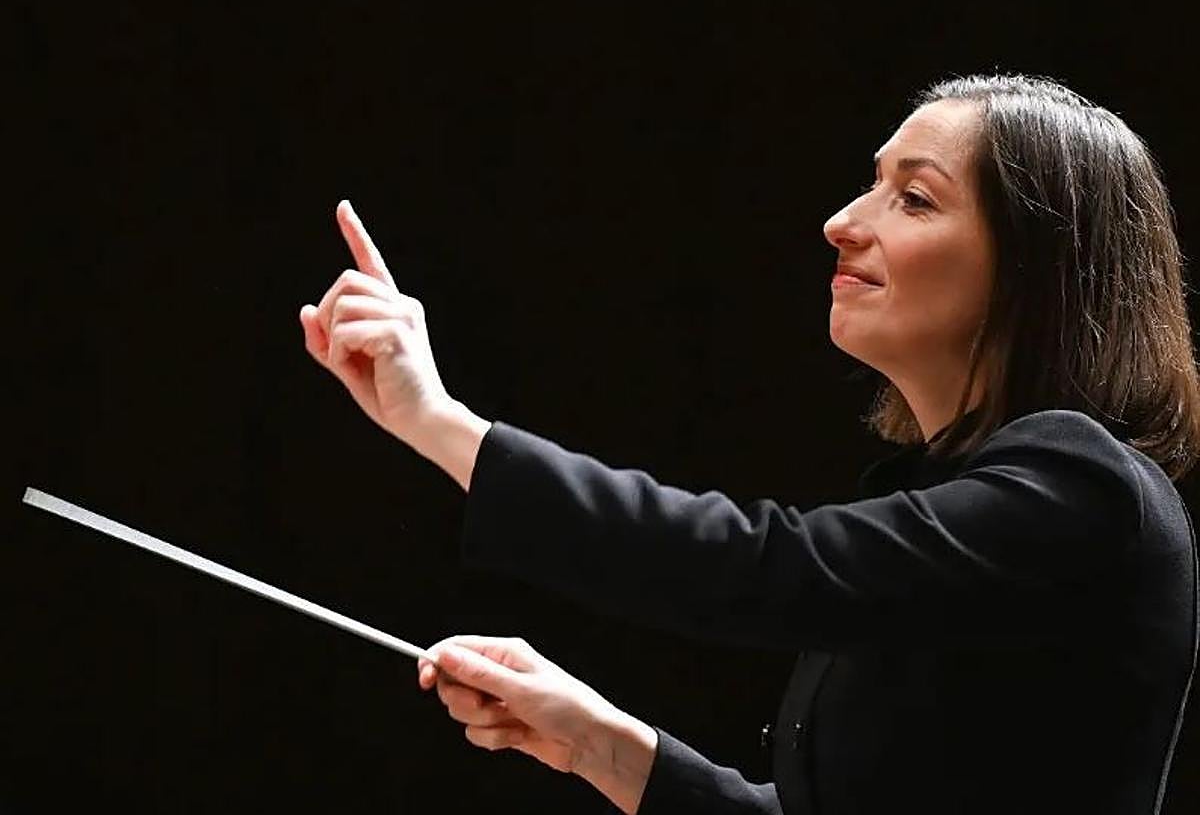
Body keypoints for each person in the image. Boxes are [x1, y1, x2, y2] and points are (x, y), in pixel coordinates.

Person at [298, 74, 1200, 814]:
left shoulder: (1087, 492)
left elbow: (766, 568)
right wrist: (595, 741)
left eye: (914, 198)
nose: (842, 222)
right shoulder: (967, 511)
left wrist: (442, 424)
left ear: (1033, 267)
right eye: (871, 182)